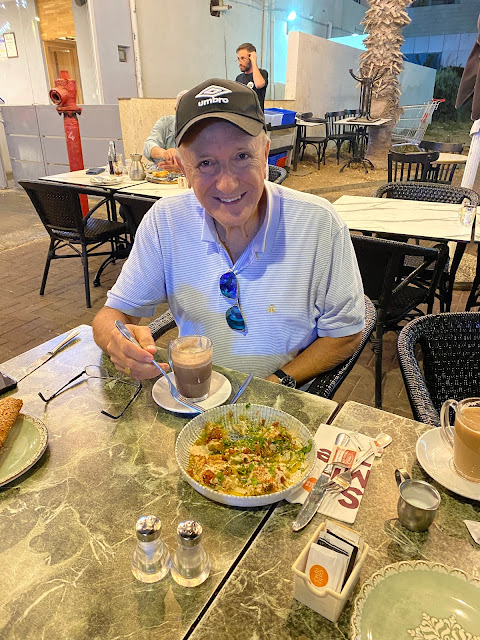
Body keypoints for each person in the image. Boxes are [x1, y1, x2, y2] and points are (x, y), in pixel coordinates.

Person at [92, 78, 365, 390]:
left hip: (281, 404)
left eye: (241, 157)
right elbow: (111, 315)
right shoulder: (165, 221)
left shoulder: (319, 224)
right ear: (183, 167)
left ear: (265, 153)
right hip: (195, 396)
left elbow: (346, 333)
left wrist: (272, 385)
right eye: (205, 163)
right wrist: (119, 341)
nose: (227, 185)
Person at [142, 90, 187, 172]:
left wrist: (182, 168)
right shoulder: (165, 123)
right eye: (183, 111)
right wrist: (164, 153)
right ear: (175, 109)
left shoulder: (203, 127)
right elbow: (148, 146)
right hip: (165, 178)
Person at [235, 43, 268, 110]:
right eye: (238, 59)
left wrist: (253, 61)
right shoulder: (239, 78)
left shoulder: (262, 73)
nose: (240, 62)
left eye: (243, 58)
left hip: (255, 118)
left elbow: (259, 84)